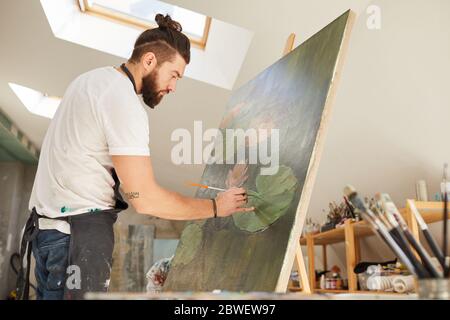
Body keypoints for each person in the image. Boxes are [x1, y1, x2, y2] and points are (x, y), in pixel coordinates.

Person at [17, 13, 253, 300]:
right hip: (76, 241)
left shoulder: (89, 80)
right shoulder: (124, 102)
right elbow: (146, 199)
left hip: (47, 234)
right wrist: (215, 207)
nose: (173, 87)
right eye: (174, 75)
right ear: (150, 60)